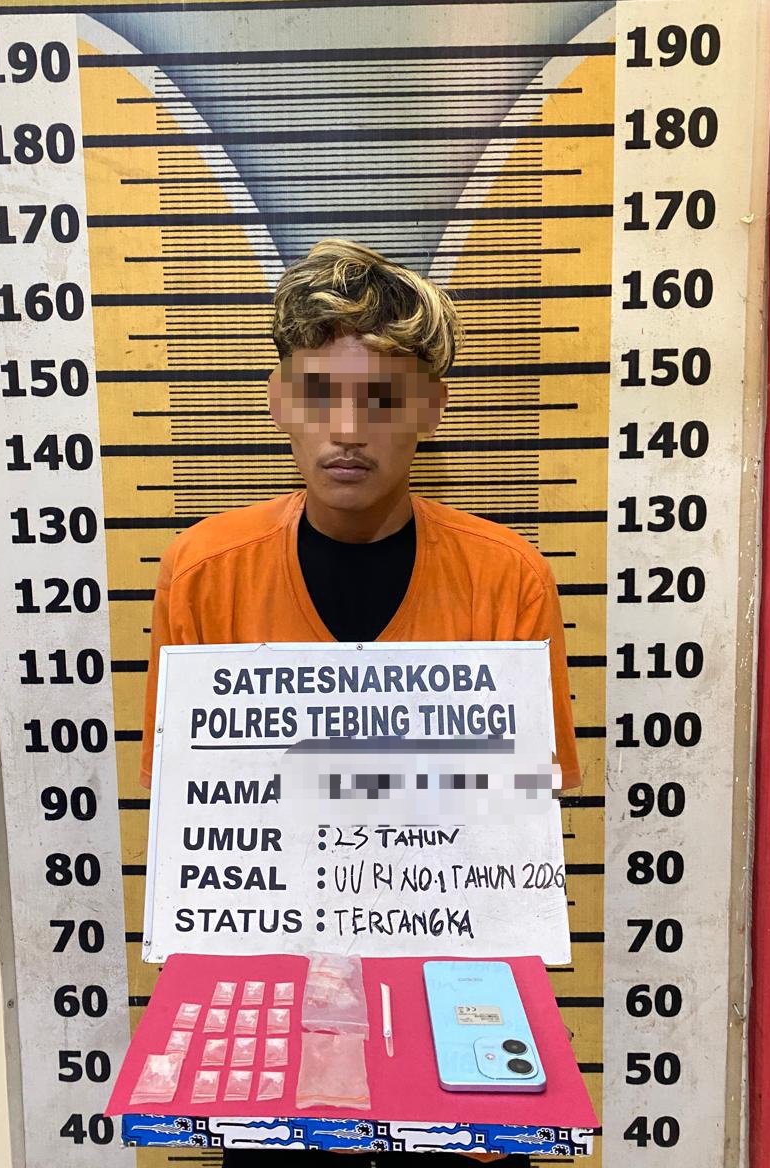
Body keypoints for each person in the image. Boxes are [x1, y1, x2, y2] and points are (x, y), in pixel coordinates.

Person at [139, 238, 581, 1165]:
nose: (346, 429)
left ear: (432, 408)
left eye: (381, 399)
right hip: (275, 1017)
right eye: (318, 395)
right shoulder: (203, 572)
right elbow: (194, 815)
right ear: (277, 401)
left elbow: (523, 828)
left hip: (453, 1002)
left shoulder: (509, 579)